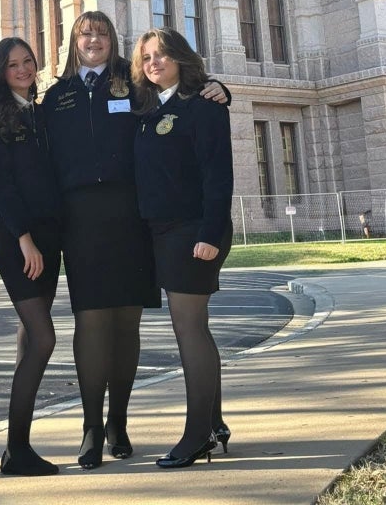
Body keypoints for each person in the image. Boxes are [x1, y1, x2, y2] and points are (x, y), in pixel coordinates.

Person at [42, 10, 228, 469]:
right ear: (73, 41)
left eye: (103, 33)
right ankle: (95, 427)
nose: (94, 40)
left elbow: (203, 134)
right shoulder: (58, 95)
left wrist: (221, 88)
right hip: (86, 221)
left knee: (147, 325)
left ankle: (132, 424)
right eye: (86, 33)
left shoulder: (133, 88)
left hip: (138, 222)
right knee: (95, 323)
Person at [131, 26, 234, 469]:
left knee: (189, 329)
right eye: (147, 57)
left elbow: (218, 174)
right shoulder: (150, 109)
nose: (154, 62)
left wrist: (210, 234)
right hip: (162, 233)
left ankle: (196, 436)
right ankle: (215, 423)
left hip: (194, 232)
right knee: (194, 329)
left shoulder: (204, 107)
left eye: (163, 55)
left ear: (181, 59)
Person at [0, 37, 61, 477]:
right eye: (13, 65)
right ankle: (14, 447)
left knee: (30, 342)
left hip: (51, 238)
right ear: (0, 71)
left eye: (28, 61)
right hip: (19, 241)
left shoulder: (41, 112)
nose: (23, 69)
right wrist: (25, 239)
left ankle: (19, 449)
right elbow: (1, 186)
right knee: (43, 338)